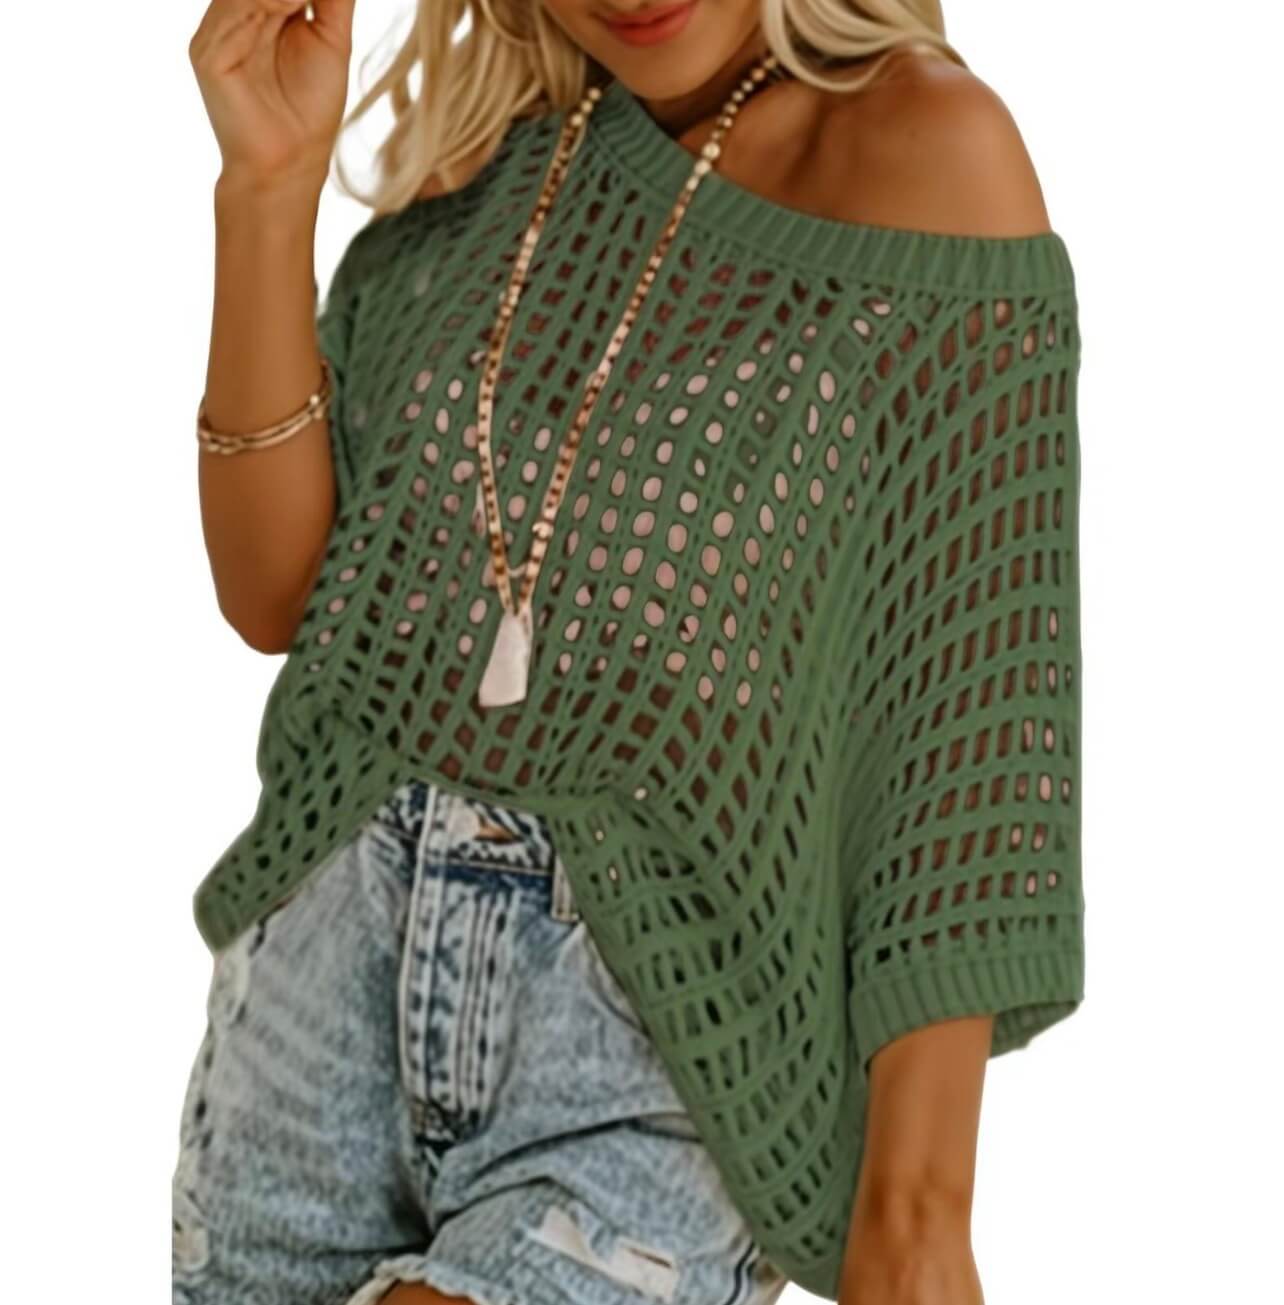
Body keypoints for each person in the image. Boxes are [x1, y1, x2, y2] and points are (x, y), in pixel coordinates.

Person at [177, 1, 1085, 1302]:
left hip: (656, 1030)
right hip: (319, 994)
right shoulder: (487, 153)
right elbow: (280, 597)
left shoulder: (931, 154)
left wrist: (919, 1213)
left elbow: (962, 740)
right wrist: (266, 194)